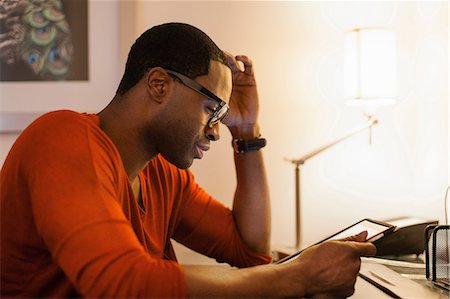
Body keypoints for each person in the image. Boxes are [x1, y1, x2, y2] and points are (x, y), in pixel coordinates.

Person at [0, 22, 376, 298]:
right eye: (212, 109)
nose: (216, 129)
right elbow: (123, 284)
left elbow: (249, 250)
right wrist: (300, 277)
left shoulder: (162, 175)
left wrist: (246, 131)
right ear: (159, 85)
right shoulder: (62, 138)